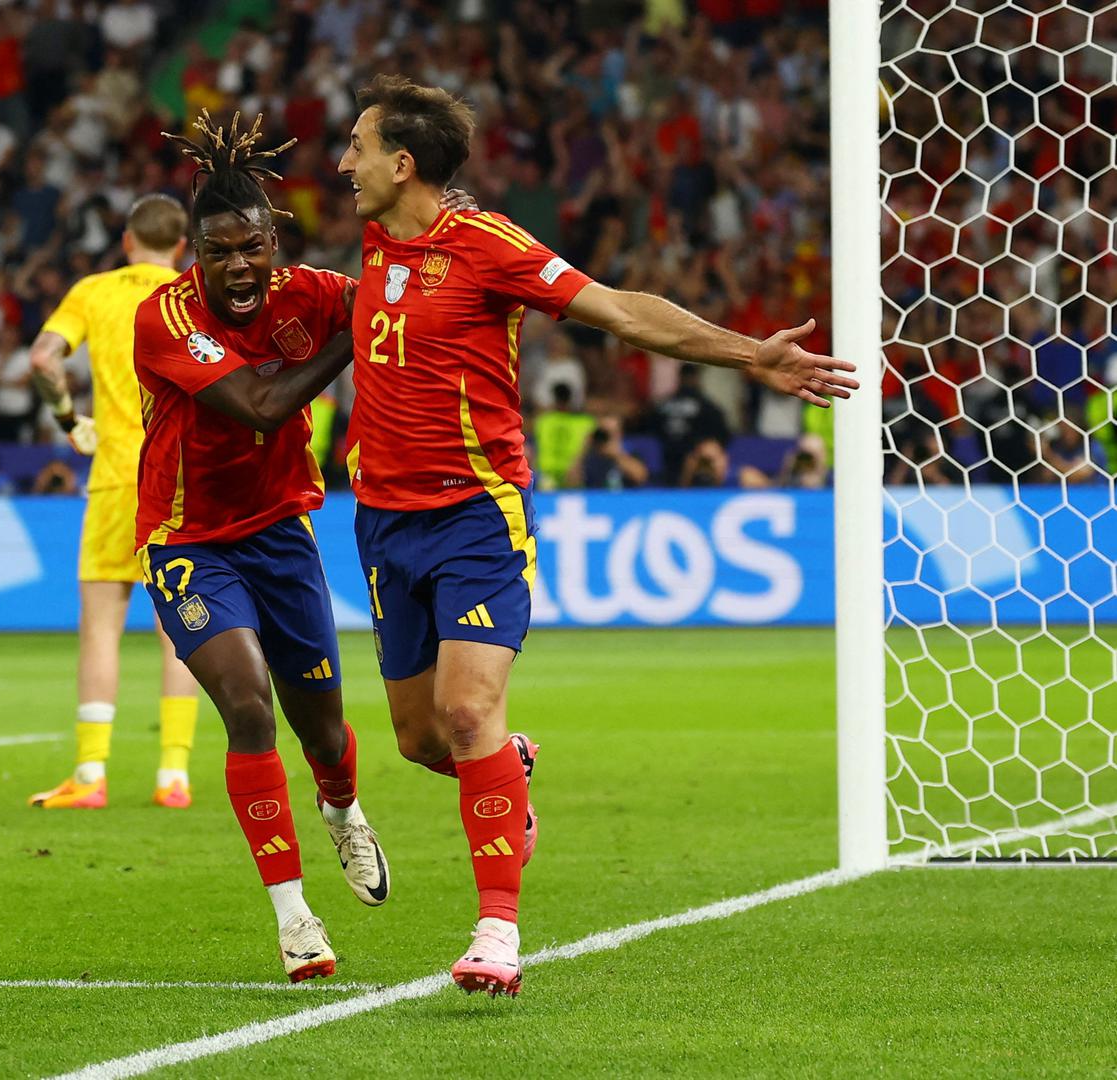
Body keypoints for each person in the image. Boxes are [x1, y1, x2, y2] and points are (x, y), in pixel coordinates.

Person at [336, 75, 857, 996]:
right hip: (380, 519)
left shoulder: (489, 245)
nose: (344, 163)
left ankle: (497, 933)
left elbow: (620, 309)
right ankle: (510, 768)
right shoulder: (378, 238)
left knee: (467, 714)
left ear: (402, 163)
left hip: (474, 515)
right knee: (420, 740)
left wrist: (749, 354)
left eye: (357, 146)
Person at [132, 112, 390, 982]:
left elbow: (394, 300)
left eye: (252, 248)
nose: (238, 267)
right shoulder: (164, 318)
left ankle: (342, 810)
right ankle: (294, 918)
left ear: (273, 242)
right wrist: (352, 337)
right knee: (248, 708)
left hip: (281, 533)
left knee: (324, 731)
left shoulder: (312, 293)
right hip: (188, 543)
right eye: (218, 253)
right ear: (194, 255)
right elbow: (262, 405)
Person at [26, 194, 201, 811]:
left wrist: (68, 419)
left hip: (113, 478)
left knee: (101, 629)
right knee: (180, 631)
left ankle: (90, 773)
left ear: (127, 241)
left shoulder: (93, 292)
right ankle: (173, 775)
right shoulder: (194, 295)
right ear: (180, 247)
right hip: (181, 481)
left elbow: (42, 358)